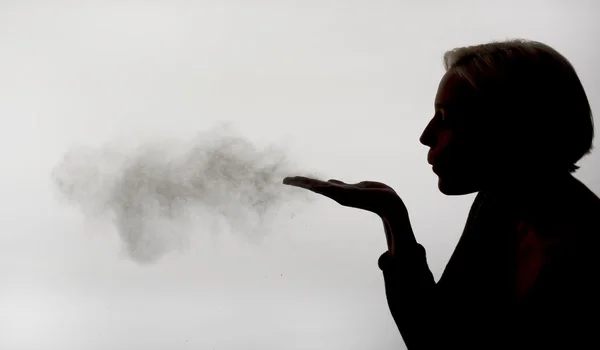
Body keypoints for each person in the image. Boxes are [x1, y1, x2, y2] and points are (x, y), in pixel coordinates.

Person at [283, 39, 600, 349]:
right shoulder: (500, 203)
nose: (426, 136)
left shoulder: (577, 247)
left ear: (511, 127)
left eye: (446, 119)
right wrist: (392, 216)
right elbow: (438, 333)